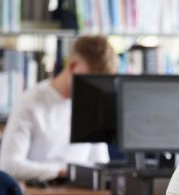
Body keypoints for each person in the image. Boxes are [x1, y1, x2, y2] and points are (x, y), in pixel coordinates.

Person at [0, 35, 118, 182]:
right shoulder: (29, 103)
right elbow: (9, 165)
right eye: (90, 81)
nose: (95, 90)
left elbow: (100, 163)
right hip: (41, 194)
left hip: (84, 193)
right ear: (73, 66)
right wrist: (64, 172)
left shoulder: (93, 105)